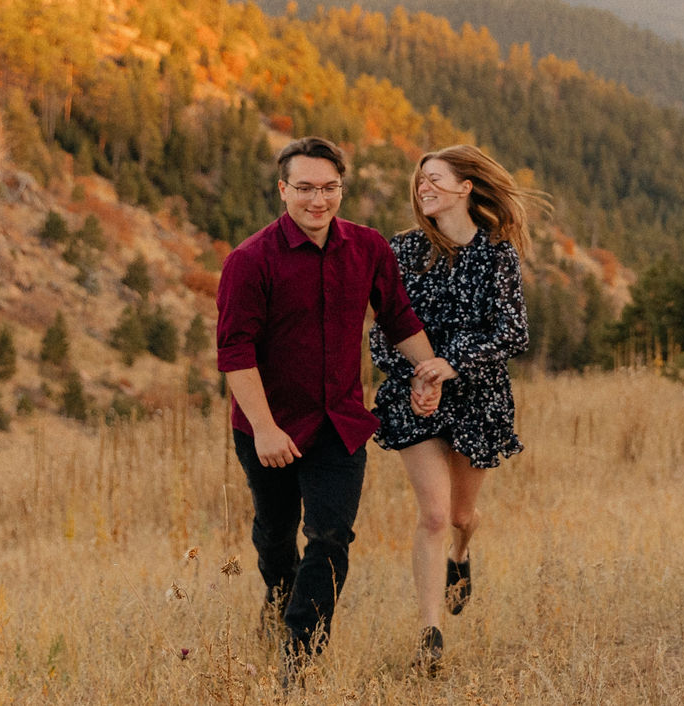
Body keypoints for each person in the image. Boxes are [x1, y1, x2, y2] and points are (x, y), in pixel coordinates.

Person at [216, 136, 440, 686]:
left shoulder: (367, 249)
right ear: (283, 190)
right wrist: (266, 429)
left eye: (329, 188)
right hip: (268, 428)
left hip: (340, 424)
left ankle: (299, 657)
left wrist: (428, 370)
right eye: (306, 188)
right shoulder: (249, 261)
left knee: (330, 538)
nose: (318, 200)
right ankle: (277, 592)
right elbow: (235, 352)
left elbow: (398, 318)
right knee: (275, 535)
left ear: (342, 187)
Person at [369, 144, 548, 676]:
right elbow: (383, 335)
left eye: (436, 178)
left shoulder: (497, 253)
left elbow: (513, 332)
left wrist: (451, 366)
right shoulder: (400, 252)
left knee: (463, 518)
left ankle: (461, 556)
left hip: (479, 398)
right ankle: (431, 635)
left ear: (467, 187)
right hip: (415, 399)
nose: (423, 186)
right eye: (420, 180)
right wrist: (418, 378)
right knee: (434, 515)